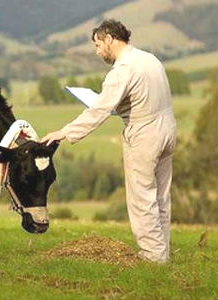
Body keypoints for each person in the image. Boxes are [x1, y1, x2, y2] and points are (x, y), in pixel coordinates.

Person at [40, 19, 177, 263]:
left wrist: (65, 132)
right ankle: (161, 252)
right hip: (168, 130)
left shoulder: (122, 70)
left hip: (144, 134)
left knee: (142, 198)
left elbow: (98, 112)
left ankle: (153, 258)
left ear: (110, 39)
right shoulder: (150, 59)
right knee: (160, 196)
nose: (97, 51)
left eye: (97, 45)